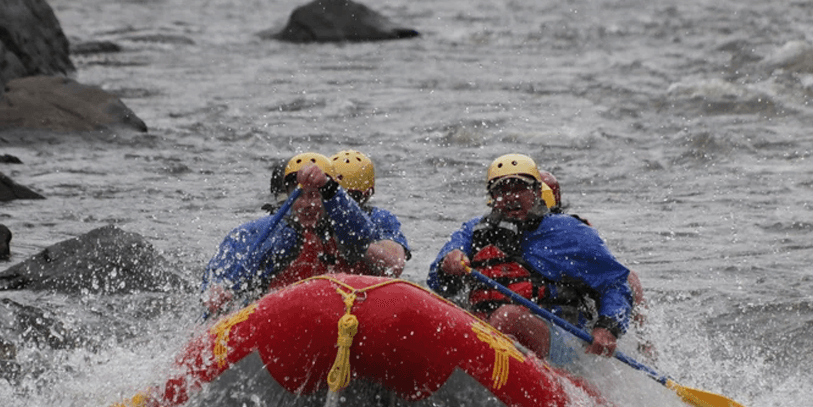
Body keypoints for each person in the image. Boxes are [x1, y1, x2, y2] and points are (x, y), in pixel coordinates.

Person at [428, 153, 634, 363]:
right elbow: (436, 281)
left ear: (537, 192)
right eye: (502, 190)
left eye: (520, 188)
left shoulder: (570, 232)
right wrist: (448, 265)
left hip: (559, 338)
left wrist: (608, 328)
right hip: (487, 328)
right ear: (491, 198)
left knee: (508, 317)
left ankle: (486, 362)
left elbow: (615, 283)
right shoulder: (473, 231)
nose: (511, 197)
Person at [202, 152, 411, 315]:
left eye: (316, 196)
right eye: (301, 196)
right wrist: (217, 292)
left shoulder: (351, 224)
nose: (307, 204)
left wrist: (329, 189)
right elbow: (222, 273)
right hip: (280, 319)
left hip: (346, 315)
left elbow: (371, 243)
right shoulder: (265, 232)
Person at [538, 167, 648, 322]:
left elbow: (611, 276)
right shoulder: (503, 231)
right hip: (538, 306)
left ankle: (645, 341)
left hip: (576, 303)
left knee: (629, 277)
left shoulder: (574, 230)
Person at [329, 149, 411, 276]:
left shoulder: (380, 219)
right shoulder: (312, 216)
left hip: (366, 288)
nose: (344, 206)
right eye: (337, 198)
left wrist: (357, 244)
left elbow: (395, 265)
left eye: (350, 197)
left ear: (367, 194)